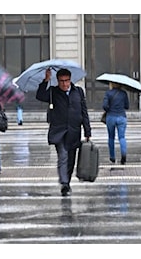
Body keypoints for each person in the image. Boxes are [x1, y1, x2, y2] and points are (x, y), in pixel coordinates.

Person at [36, 68, 91, 196]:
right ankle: (64, 184)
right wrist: (46, 80)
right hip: (59, 131)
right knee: (63, 156)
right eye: (61, 81)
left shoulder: (78, 92)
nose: (64, 84)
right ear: (58, 81)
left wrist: (87, 130)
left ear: (70, 80)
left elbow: (84, 112)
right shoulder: (53, 92)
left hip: (74, 130)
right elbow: (40, 96)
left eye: (66, 81)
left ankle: (67, 181)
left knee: (71, 159)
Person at [102, 81, 130, 165]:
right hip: (121, 117)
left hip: (111, 117)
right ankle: (123, 155)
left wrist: (110, 107)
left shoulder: (108, 93)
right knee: (122, 137)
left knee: (111, 137)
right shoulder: (124, 93)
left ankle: (112, 157)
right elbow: (127, 106)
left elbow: (105, 106)